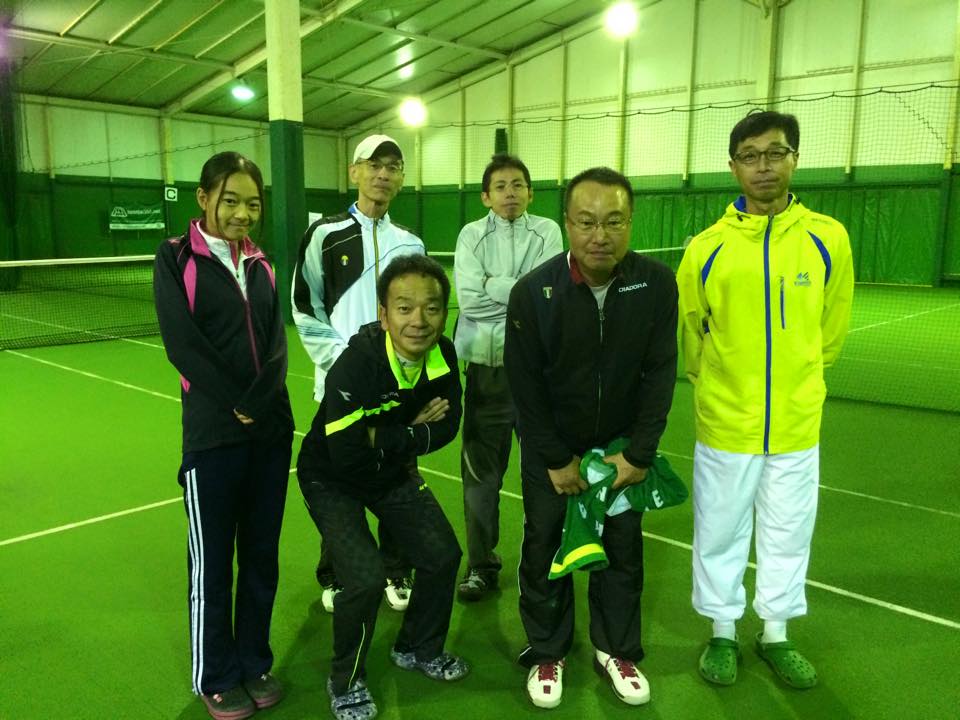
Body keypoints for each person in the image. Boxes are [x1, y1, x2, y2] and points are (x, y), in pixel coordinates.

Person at [676, 110, 854, 690]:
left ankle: (775, 633)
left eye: (775, 153)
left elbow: (830, 330)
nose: (763, 167)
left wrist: (800, 383)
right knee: (719, 532)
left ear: (795, 159)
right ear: (733, 167)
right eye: (750, 156)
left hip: (798, 424)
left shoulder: (828, 238)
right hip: (725, 424)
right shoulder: (706, 248)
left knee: (788, 532)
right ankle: (723, 631)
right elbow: (691, 333)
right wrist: (721, 390)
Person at [504, 167, 678, 709]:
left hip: (621, 457)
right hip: (553, 457)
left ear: (630, 223)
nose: (599, 235)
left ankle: (615, 649)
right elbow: (525, 386)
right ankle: (547, 650)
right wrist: (556, 459)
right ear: (566, 223)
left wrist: (639, 452)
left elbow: (660, 371)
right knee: (545, 546)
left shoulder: (657, 284)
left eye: (613, 221)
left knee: (622, 550)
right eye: (586, 221)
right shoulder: (533, 293)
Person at [297, 254, 469, 720]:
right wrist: (410, 431)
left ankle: (417, 647)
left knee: (441, 555)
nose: (419, 320)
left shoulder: (443, 355)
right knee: (365, 578)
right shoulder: (357, 364)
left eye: (432, 308)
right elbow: (346, 451)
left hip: (390, 471)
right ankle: (346, 682)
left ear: (444, 313)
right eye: (404, 308)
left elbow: (448, 427)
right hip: (330, 477)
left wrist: (383, 435)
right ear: (384, 314)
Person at [153, 152, 293, 720]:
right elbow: (182, 344)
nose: (242, 214)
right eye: (231, 200)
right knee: (213, 565)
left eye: (252, 204)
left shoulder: (262, 263)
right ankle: (216, 675)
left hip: (270, 435)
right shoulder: (175, 258)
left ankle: (254, 663)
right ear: (204, 198)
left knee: (261, 557)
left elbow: (277, 343)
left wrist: (260, 405)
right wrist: (237, 402)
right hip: (212, 438)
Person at [292, 134, 422, 613]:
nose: (383, 174)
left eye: (393, 166)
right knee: (339, 484)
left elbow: (419, 315)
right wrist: (344, 367)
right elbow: (304, 307)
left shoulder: (411, 243)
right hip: (340, 391)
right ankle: (338, 573)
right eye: (374, 164)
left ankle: (396, 570)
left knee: (398, 479)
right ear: (354, 172)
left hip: (396, 390)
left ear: (401, 178)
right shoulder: (324, 234)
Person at [453, 153, 563, 601]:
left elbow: (550, 297)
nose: (510, 193)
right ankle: (481, 565)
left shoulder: (549, 232)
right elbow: (469, 300)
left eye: (518, 184)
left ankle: (543, 565)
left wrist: (494, 284)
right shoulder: (470, 235)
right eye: (500, 186)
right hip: (487, 375)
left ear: (530, 193)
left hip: (539, 376)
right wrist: (522, 293)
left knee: (544, 475)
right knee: (481, 482)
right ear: (486, 196)